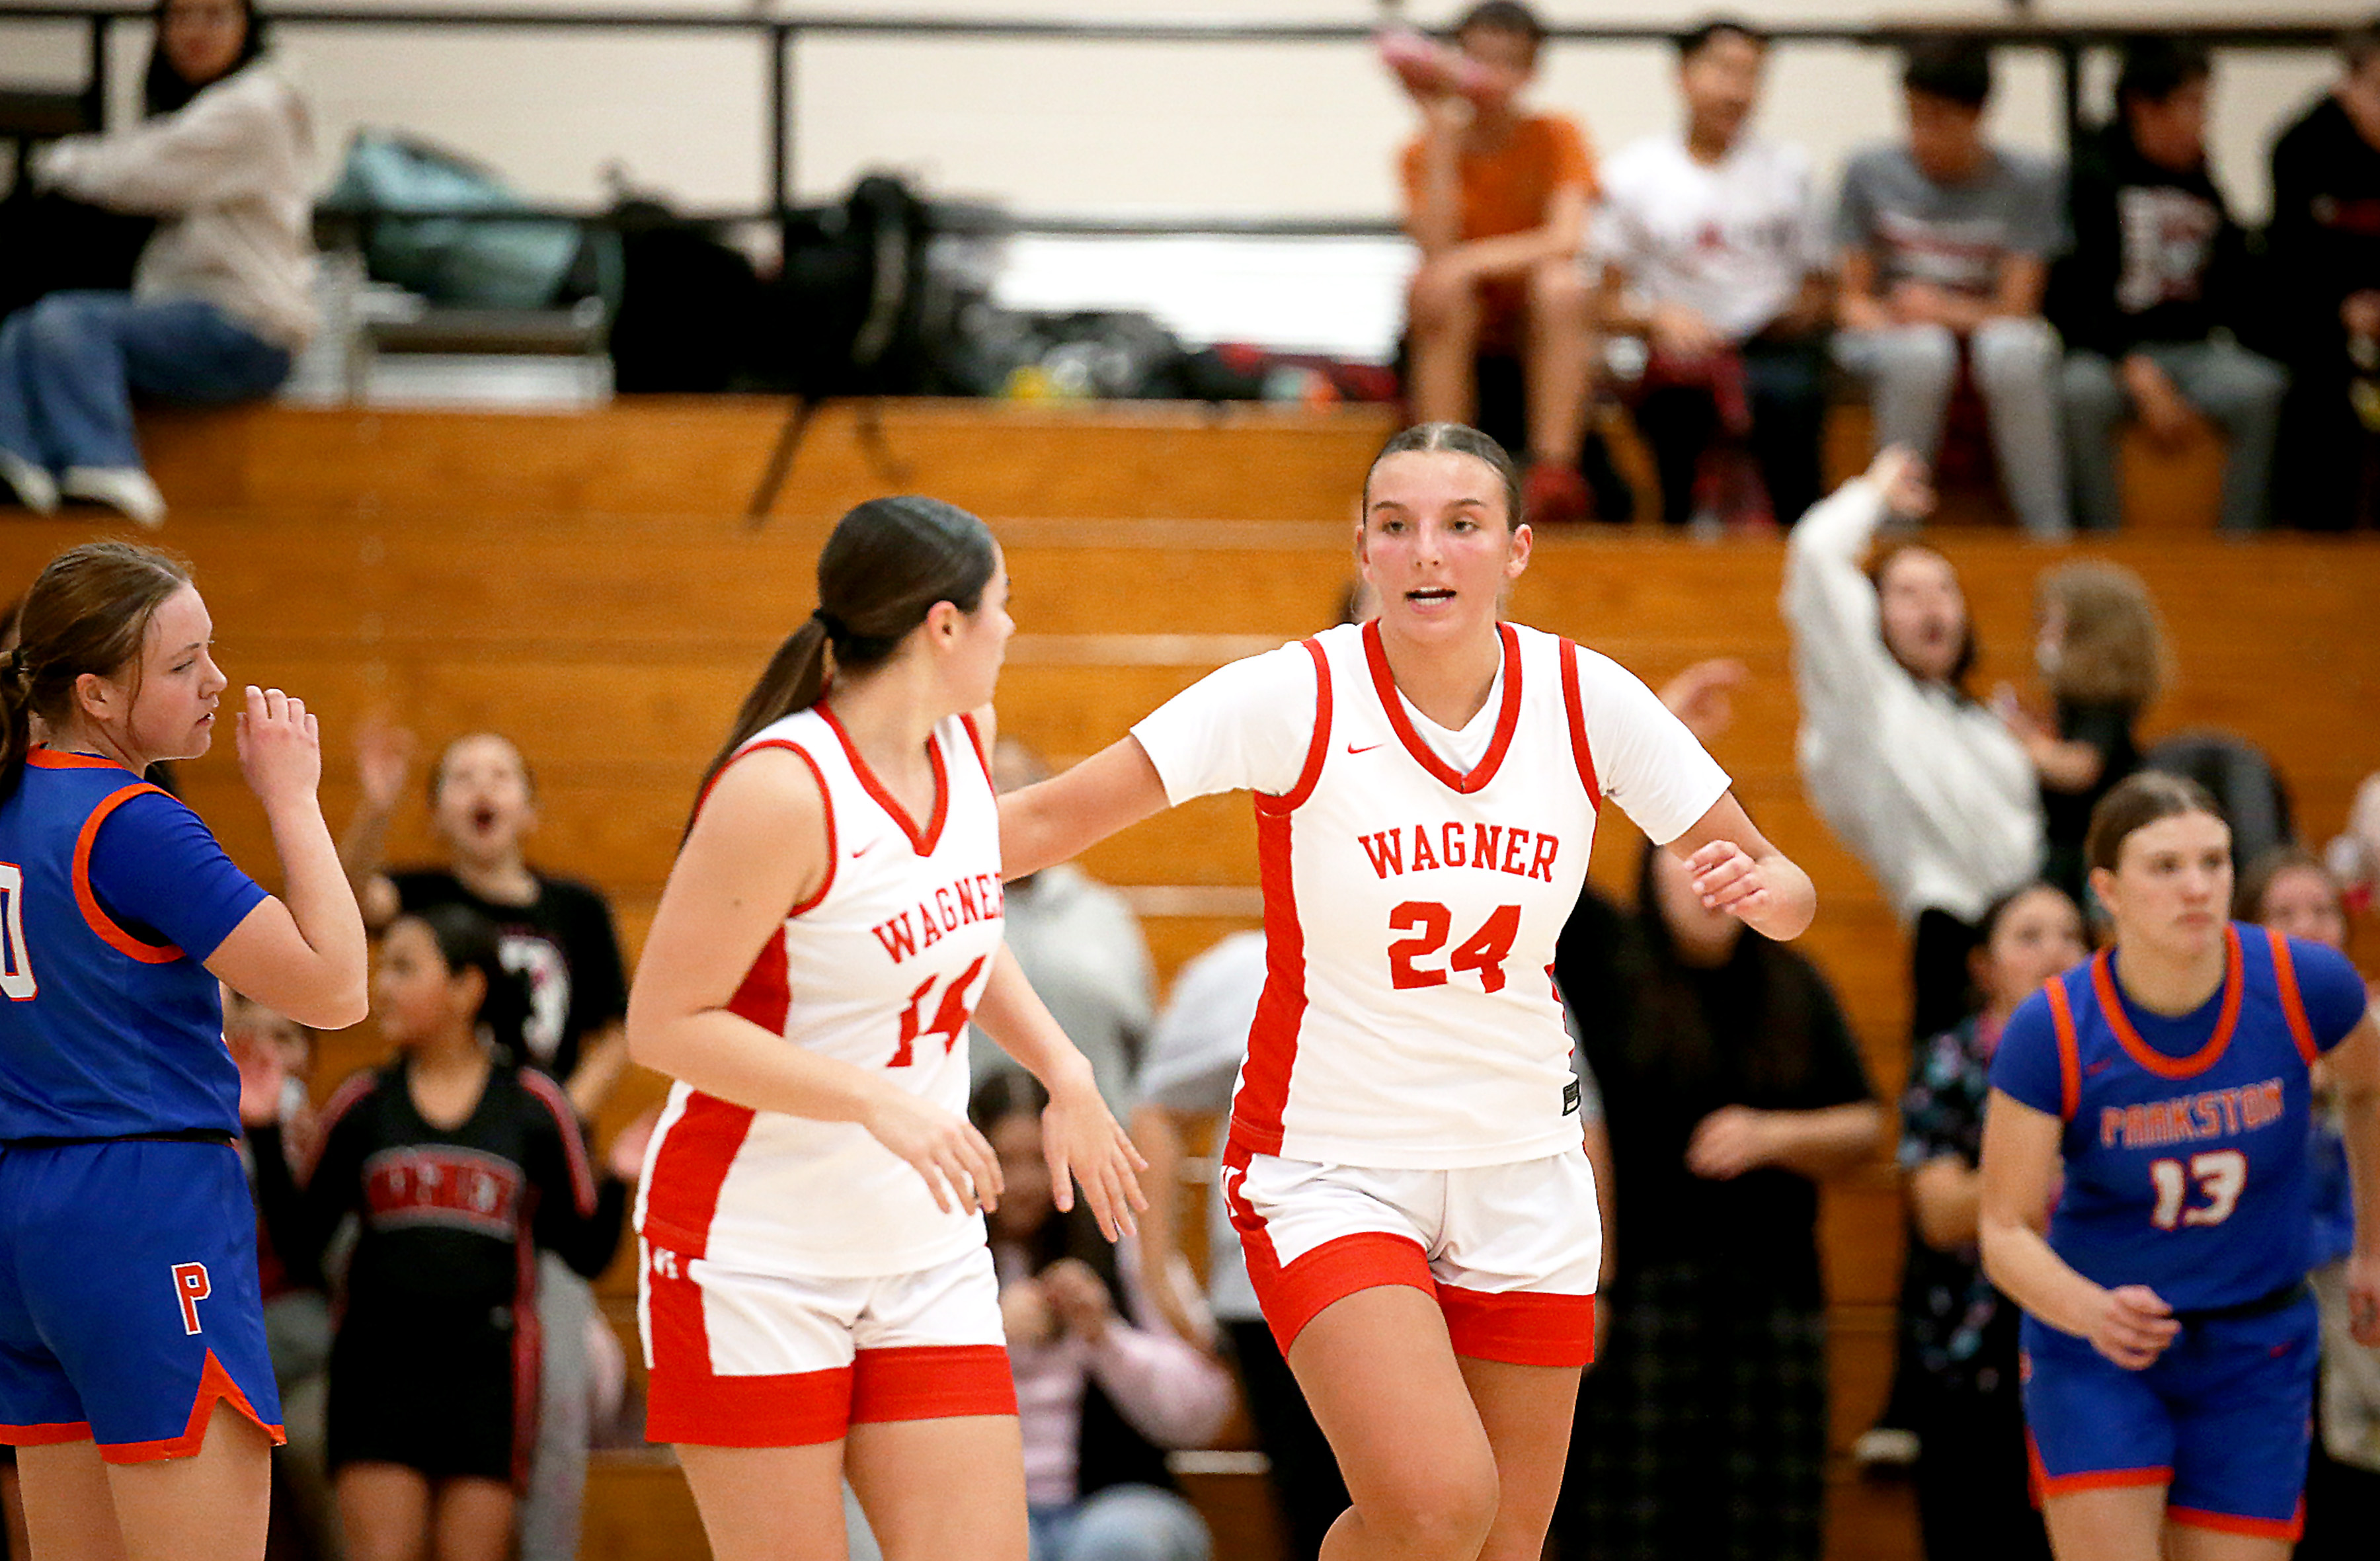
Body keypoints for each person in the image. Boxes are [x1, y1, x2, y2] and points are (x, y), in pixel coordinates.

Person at [998, 422, 1816, 1561]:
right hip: (1332, 1163)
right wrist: (868, 854)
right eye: (1398, 525)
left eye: (1462, 524)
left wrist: (1766, 893)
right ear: (1365, 550)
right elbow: (1045, 819)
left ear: (1517, 549)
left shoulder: (1587, 698)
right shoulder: (1293, 696)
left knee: (1502, 1544)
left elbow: (1786, 885)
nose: (1428, 550)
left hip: (1523, 1166)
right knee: (1436, 1508)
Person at [624, 495, 1145, 1561]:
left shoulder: (964, 739)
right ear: (944, 625)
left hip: (921, 1245)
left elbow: (957, 931)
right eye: (1003, 604)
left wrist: (1066, 1069)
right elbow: (665, 1025)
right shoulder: (780, 789)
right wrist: (873, 1101)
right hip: (753, 1253)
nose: (1012, 627)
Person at [0, 540, 368, 1561]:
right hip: (145, 1207)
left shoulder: (11, 802)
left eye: (211, 649)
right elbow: (337, 988)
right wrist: (292, 796)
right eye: (182, 663)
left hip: (27, 1216)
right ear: (96, 695)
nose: (217, 680)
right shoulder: (134, 823)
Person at [1979, 772, 2380, 1559]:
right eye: (2165, 867)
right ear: (2107, 891)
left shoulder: (2304, 983)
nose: (2197, 887)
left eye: (2214, 862)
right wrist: (2089, 1310)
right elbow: (2004, 1230)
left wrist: (2372, 1246)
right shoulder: (2053, 1027)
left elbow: (2369, 1087)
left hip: (2256, 1343)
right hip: (2100, 1345)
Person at [245, 904, 629, 1561]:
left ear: (465, 988)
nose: (382, 986)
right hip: (377, 1369)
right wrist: (261, 1131)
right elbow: (303, 1246)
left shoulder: (534, 1107)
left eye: (403, 968)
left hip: (487, 1375)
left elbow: (586, 1252)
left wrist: (619, 1178)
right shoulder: (362, 1103)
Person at [337, 724, 629, 1561]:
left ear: (530, 809)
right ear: (438, 815)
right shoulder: (421, 895)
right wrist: (376, 807)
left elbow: (616, 1033)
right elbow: (343, 902)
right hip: (431, 1169)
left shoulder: (574, 908)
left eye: (500, 774)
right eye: (461, 776)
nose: (482, 788)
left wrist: (550, 1121)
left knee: (558, 1399)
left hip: (535, 1180)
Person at [1553, 842, 1882, 1561]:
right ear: (1649, 873)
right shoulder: (1609, 961)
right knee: (1629, 1527)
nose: (1705, 878)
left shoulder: (1794, 981)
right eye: (1683, 856)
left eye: (1726, 858)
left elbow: (1866, 1124)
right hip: (1641, 1298)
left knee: (1770, 1527)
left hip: (1776, 1296)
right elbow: (1548, 854)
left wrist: (1773, 1136)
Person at [0, 0, 315, 529]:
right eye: (181, 17)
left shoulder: (257, 104)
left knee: (67, 321)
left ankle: (106, 467)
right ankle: (16, 461)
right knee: (22, 327)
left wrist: (56, 162)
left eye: (215, 16)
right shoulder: (201, 106)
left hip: (247, 325)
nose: (195, 31)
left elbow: (138, 171)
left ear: (248, 27)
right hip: (183, 314)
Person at [1784, 446, 2043, 1043]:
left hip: (2040, 938)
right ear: (1872, 615)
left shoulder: (1984, 722)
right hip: (1954, 947)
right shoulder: (1866, 703)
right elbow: (1816, 555)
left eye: (1944, 589)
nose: (1931, 604)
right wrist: (1875, 491)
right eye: (1906, 591)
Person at [1897, 882, 2084, 1561]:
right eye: (2030, 937)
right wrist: (2049, 1172)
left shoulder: (2118, 1059)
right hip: (1974, 1359)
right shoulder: (1952, 1060)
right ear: (1984, 966)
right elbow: (1940, 1212)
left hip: (2096, 1348)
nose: (2055, 953)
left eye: (2072, 936)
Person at [975, 1073, 1233, 1561]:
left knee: (1116, 1543)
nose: (1025, 1184)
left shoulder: (1124, 1247)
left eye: (1041, 1160)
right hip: (984, 1500)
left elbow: (1204, 1412)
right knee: (994, 1545)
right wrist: (989, 1338)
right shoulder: (941, 1260)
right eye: (1005, 1161)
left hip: (1118, 1498)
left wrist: (1106, 1338)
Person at [1596, 17, 1831, 532]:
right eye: (1724, 70)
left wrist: (1777, 319)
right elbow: (1604, 302)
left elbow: (1820, 291)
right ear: (1683, 75)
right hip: (1673, 354)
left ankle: (1799, 539)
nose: (1737, 90)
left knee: (1791, 396)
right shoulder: (1634, 172)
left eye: (1752, 75)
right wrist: (1657, 318)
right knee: (1677, 404)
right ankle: (1677, 534)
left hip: (1772, 348)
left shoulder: (1789, 170)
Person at [1834, 36, 2071, 538]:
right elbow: (1851, 302)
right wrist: (1897, 319)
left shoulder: (2031, 178)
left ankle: (2047, 534)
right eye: (1913, 116)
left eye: (1938, 120)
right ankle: (1893, 533)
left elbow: (2018, 307)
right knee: (1922, 352)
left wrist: (1940, 311)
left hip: (1989, 333)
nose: (1922, 134)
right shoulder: (1868, 171)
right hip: (1898, 338)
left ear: (1979, 114)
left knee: (2013, 351)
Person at [2051, 38, 2285, 535]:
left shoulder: (2200, 176)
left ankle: (2242, 547)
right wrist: (2133, 368)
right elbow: (2073, 297)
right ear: (2143, 106)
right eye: (2191, 104)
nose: (2202, 121)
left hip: (2193, 351)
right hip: (2109, 352)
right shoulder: (2091, 175)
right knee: (2079, 393)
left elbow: (2236, 284)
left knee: (2261, 387)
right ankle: (2100, 541)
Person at [1397, 3, 1600, 525]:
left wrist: (1471, 262)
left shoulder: (1558, 136)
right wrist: (1441, 133)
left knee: (1564, 286)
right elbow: (1435, 250)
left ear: (1532, 71)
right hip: (1460, 319)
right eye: (1479, 59)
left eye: (1509, 62)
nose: (1492, 76)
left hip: (1533, 318)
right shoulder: (1422, 150)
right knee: (1437, 287)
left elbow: (1567, 238)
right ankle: (1443, 469)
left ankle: (1554, 472)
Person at [2233, 847, 2380, 1561]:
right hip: (2260, 1292)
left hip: (2356, 1277)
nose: (2309, 927)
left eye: (2322, 910)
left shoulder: (2370, 1024)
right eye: (2284, 913)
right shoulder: (2222, 1036)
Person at [972, 738, 1155, 1115]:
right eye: (991, 786)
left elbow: (1142, 1045)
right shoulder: (941, 911)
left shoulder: (1104, 915)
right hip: (958, 1139)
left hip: (1094, 1134)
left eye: (1019, 787)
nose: (1005, 799)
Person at [1995, 561, 2168, 913]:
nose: (2044, 634)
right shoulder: (2076, 700)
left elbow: (2080, 767)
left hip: (2086, 855)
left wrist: (2022, 742)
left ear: (2089, 633)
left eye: (2054, 623)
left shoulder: (2102, 700)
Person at [2266, 18, 2380, 532]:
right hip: (2325, 314)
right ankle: (2320, 532)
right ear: (2347, 86)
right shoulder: (2300, 147)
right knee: (2316, 374)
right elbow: (2289, 261)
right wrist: (2343, 309)